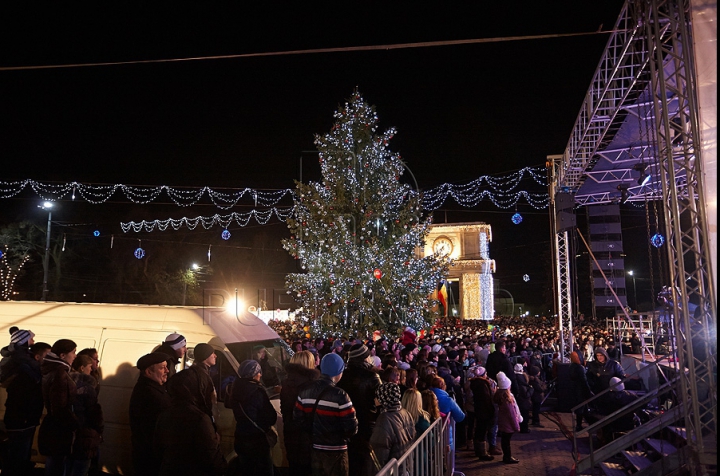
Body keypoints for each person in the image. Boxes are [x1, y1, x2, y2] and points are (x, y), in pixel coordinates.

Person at [294, 353, 358, 476]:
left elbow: (298, 420)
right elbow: (351, 428)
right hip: (336, 450)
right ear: (339, 372)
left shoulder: (305, 391)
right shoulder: (340, 395)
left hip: (315, 448)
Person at [154, 369, 227, 476]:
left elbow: (158, 450)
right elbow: (213, 459)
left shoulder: (165, 414)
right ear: (197, 388)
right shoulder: (200, 418)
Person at [1, 329, 43, 476]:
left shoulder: (19, 357)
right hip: (21, 418)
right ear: (24, 340)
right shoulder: (21, 360)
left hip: (21, 417)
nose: (33, 342)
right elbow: (32, 380)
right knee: (18, 454)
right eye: (31, 339)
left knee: (18, 453)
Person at [336, 343, 382, 476]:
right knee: (365, 462)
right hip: (367, 423)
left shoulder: (342, 375)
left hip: (345, 422)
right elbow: (379, 401)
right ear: (365, 358)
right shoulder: (372, 376)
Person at [226, 359, 278, 476]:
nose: (260, 375)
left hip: (240, 438)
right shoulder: (257, 392)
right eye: (258, 372)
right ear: (254, 374)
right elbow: (271, 417)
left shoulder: (234, 388)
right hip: (257, 442)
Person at [38, 339, 79, 476]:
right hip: (59, 426)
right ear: (62, 355)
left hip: (54, 423)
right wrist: (74, 423)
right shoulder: (60, 372)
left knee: (54, 459)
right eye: (73, 352)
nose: (75, 356)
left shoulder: (53, 369)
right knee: (57, 462)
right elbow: (59, 405)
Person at [129, 352, 171, 476]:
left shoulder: (153, 389)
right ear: (148, 372)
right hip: (151, 457)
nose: (167, 371)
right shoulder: (150, 394)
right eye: (162, 368)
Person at [280, 350, 320, 476]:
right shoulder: (312, 385)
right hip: (307, 439)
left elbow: (284, 409)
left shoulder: (286, 384)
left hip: (290, 435)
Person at [68, 354, 104, 476]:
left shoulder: (67, 381)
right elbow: (93, 413)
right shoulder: (86, 388)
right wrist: (99, 429)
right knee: (81, 467)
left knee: (69, 466)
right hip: (84, 432)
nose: (92, 369)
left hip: (72, 432)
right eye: (89, 366)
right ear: (82, 368)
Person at [369, 383, 415, 469]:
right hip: (405, 465)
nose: (375, 399)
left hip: (393, 469)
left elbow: (380, 452)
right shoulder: (405, 413)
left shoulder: (384, 419)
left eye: (377, 396)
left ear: (383, 398)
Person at [186, 343, 218, 425]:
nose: (215, 356)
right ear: (205, 355)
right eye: (212, 353)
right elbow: (204, 401)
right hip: (200, 420)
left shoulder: (200, 372)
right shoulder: (201, 375)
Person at [469, 366, 496, 461]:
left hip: (479, 410)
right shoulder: (482, 385)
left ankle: (479, 450)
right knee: (482, 431)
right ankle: (482, 453)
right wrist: (491, 410)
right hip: (484, 412)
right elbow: (486, 400)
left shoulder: (475, 383)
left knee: (479, 430)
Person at [493, 372, 521, 464]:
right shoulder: (507, 400)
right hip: (508, 424)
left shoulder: (499, 396)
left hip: (503, 422)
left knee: (505, 440)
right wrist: (516, 426)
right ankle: (507, 457)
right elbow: (512, 415)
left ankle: (507, 456)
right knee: (506, 441)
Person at [569, 351, 593, 431]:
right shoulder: (579, 368)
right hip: (580, 391)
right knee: (582, 408)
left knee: (583, 408)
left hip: (574, 390)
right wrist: (588, 391)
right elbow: (584, 381)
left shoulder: (571, 366)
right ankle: (582, 425)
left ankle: (585, 424)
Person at [513, 363, 532, 433]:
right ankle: (524, 429)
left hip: (517, 399)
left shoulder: (513, 377)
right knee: (524, 414)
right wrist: (531, 389)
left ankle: (519, 427)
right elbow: (526, 394)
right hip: (523, 401)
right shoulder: (522, 379)